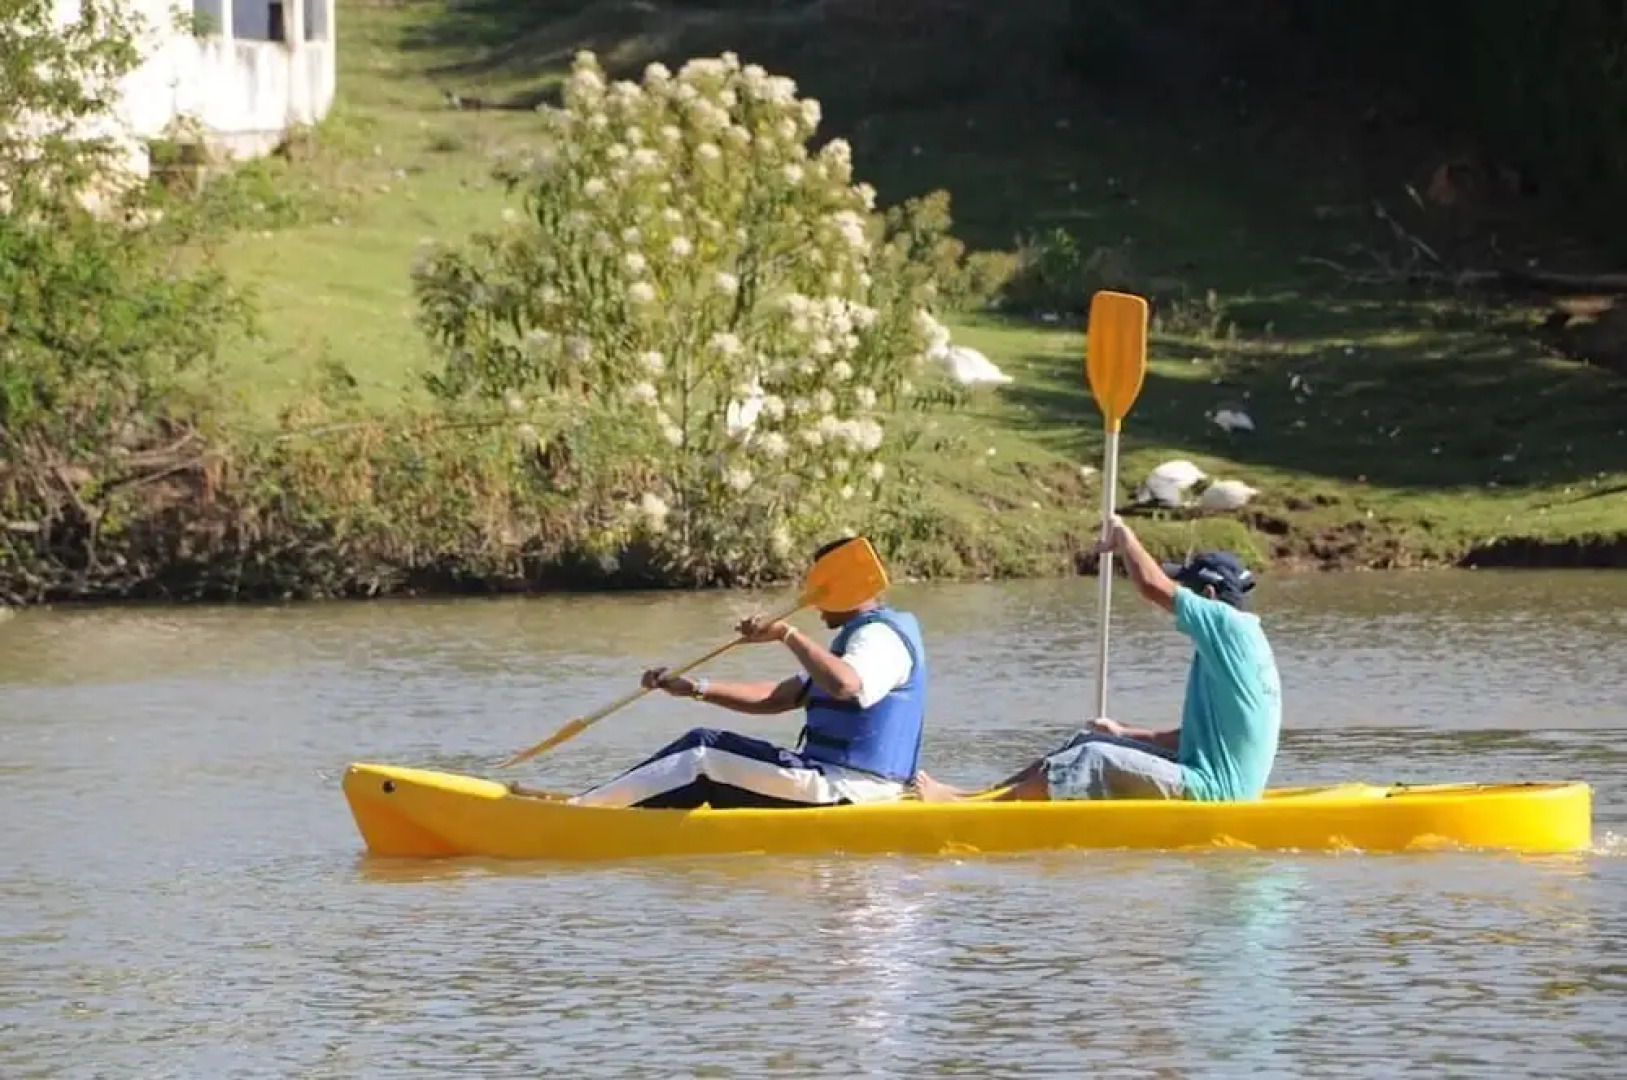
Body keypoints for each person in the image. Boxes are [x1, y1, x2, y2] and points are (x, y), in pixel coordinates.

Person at [913, 515, 1281, 804]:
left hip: (1217, 793)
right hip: (1203, 772)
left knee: (1092, 757)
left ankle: (985, 813)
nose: (1180, 602)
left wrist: (1125, 536)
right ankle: (973, 796)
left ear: (1210, 595)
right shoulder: (1236, 643)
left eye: (1186, 590)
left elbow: (1153, 586)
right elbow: (1193, 739)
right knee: (1084, 740)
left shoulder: (1226, 624)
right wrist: (1124, 733)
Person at [568, 541, 930, 810]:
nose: (815, 604)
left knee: (702, 750)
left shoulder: (879, 637)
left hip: (849, 789)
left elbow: (846, 685)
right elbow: (778, 697)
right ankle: (601, 806)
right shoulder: (857, 640)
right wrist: (694, 688)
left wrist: (788, 635)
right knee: (704, 752)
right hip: (834, 783)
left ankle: (581, 814)